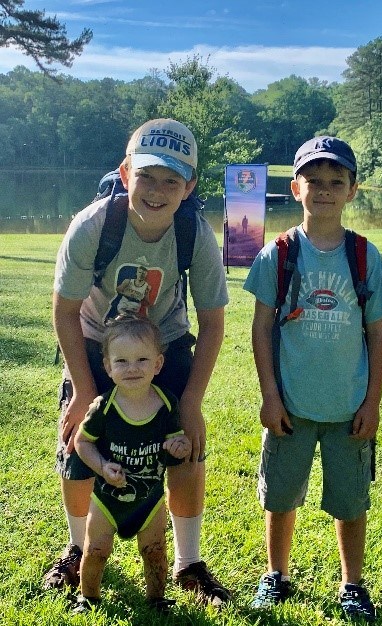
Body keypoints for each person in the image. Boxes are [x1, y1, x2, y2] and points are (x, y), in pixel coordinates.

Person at [45, 118, 231, 607]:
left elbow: (213, 321)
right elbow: (64, 310)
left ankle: (189, 564)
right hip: (94, 338)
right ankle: (77, 549)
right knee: (78, 445)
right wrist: (85, 389)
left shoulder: (196, 234)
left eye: (172, 180)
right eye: (146, 176)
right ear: (126, 174)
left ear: (189, 188)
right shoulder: (92, 225)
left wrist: (190, 401)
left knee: (185, 448)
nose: (157, 190)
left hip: (163, 341)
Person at [244, 136, 382, 621]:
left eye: (337, 182)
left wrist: (372, 402)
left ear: (353, 190)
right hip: (290, 407)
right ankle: (276, 574)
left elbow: (378, 333)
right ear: (296, 189)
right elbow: (260, 328)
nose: (325, 191)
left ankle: (352, 584)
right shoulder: (279, 254)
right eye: (314, 182)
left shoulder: (363, 255)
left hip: (349, 408)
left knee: (351, 501)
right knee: (280, 495)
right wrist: (270, 395)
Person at [73, 315, 191, 613]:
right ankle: (87, 598)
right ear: (108, 367)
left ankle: (157, 599)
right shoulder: (103, 406)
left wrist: (180, 446)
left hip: (149, 499)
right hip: (106, 500)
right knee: (96, 551)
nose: (132, 368)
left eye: (142, 359)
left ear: (158, 364)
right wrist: (101, 467)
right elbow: (82, 443)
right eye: (122, 361)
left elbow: (177, 442)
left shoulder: (167, 403)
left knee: (155, 552)